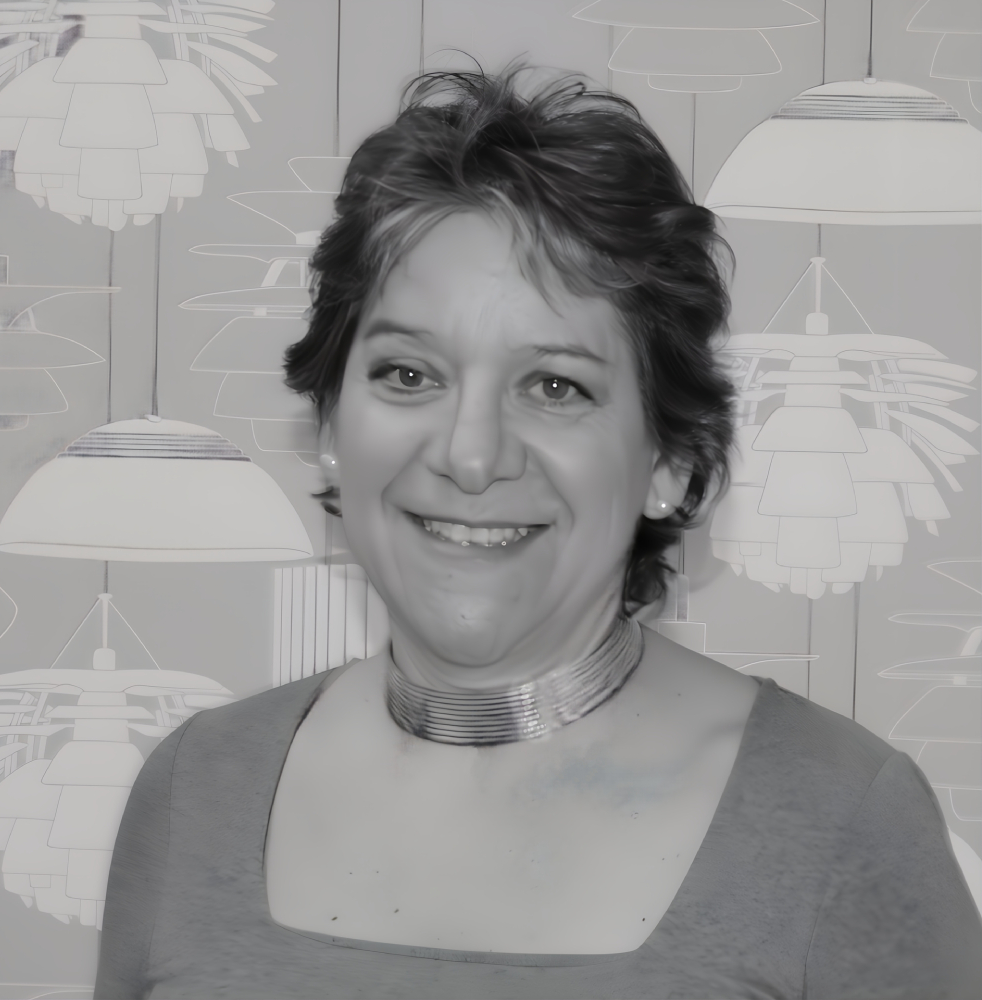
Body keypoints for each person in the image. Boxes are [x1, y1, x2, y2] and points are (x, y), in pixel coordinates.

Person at [94, 68, 981, 999]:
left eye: (555, 386)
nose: (469, 456)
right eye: (407, 374)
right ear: (328, 425)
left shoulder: (840, 816)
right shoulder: (196, 788)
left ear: (669, 458)